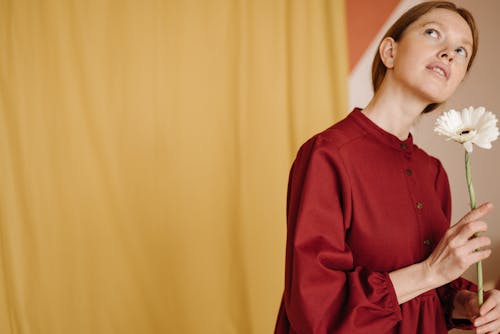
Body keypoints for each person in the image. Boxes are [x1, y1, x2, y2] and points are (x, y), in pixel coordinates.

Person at [275, 2, 500, 333]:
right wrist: (431, 273)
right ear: (389, 52)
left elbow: (424, 294)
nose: (449, 53)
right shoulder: (328, 154)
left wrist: (464, 303)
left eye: (461, 50)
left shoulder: (433, 172)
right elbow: (314, 306)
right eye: (433, 32)